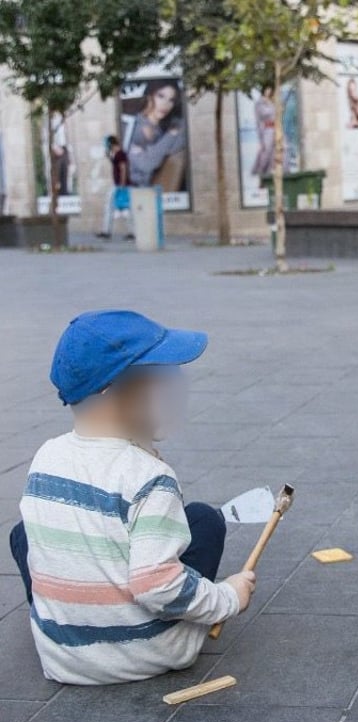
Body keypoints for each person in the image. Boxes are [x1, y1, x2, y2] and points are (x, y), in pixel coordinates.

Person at [8, 311, 256, 685]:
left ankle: (70, 625)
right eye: (157, 380)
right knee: (204, 520)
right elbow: (158, 587)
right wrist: (228, 598)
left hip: (63, 659)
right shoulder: (149, 477)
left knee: (24, 533)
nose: (167, 391)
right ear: (117, 393)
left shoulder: (46, 456)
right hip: (148, 652)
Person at [127, 80, 187, 191]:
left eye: (171, 100)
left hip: (153, 190)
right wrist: (171, 135)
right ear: (150, 96)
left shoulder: (161, 128)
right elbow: (147, 164)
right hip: (134, 192)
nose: (166, 104)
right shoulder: (133, 126)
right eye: (161, 96)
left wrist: (153, 153)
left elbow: (179, 143)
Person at [98, 135, 132, 240]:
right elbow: (116, 165)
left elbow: (123, 168)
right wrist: (109, 156)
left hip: (120, 186)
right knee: (123, 209)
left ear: (111, 144)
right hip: (119, 185)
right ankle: (107, 231)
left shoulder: (120, 154)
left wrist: (122, 184)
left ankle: (107, 231)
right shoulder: (117, 154)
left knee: (120, 209)